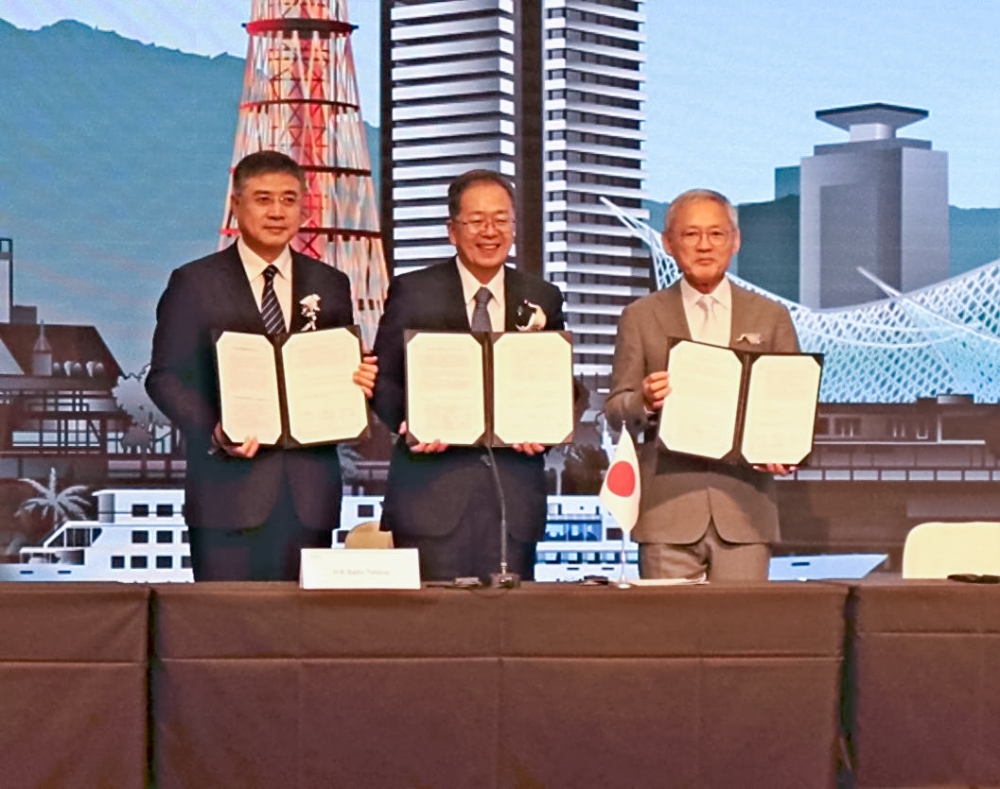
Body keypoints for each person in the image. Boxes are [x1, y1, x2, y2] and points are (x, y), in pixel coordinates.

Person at [146, 150, 377, 581]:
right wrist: (216, 429)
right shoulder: (194, 282)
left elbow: (336, 369)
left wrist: (358, 380)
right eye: (263, 199)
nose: (277, 212)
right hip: (225, 497)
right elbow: (164, 378)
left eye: (289, 200)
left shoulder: (330, 284)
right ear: (236, 205)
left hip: (309, 497)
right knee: (225, 634)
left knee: (298, 637)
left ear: (304, 208)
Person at [371, 169, 565, 583]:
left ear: (513, 227)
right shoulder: (413, 291)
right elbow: (384, 381)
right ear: (452, 230)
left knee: (508, 635)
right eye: (476, 221)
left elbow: (557, 385)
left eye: (501, 219)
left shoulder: (543, 297)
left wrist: (545, 432)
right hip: (430, 497)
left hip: (513, 501)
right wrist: (408, 426)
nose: (489, 231)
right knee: (435, 636)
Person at [604, 189, 799, 582]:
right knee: (668, 639)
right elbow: (614, 409)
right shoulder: (640, 317)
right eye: (691, 235)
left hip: (745, 513)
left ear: (735, 241)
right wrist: (643, 399)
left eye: (717, 234)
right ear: (668, 243)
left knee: (743, 636)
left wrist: (786, 448)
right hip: (667, 513)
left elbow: (791, 407)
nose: (705, 246)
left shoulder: (771, 317)